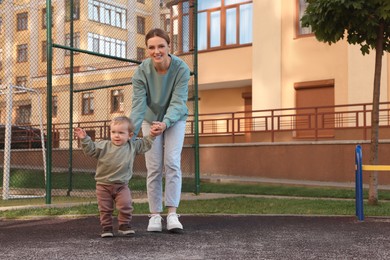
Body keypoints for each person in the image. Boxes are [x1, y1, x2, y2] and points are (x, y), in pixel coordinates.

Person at [130, 28, 190, 233]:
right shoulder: (141, 72)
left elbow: (178, 101)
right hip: (150, 119)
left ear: (168, 47)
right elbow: (138, 105)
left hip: (175, 118)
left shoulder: (181, 68)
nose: (157, 51)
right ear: (147, 49)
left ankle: (172, 214)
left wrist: (166, 122)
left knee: (172, 163)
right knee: (154, 167)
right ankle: (155, 215)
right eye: (152, 47)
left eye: (161, 46)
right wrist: (131, 131)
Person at [74, 116, 160, 238]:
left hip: (122, 185)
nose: (116, 135)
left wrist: (152, 135)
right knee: (105, 208)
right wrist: (85, 138)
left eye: (121, 132)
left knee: (126, 204)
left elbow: (145, 144)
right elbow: (90, 150)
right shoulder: (104, 146)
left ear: (129, 135)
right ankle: (107, 227)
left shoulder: (132, 146)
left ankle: (124, 225)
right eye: (113, 132)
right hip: (103, 185)